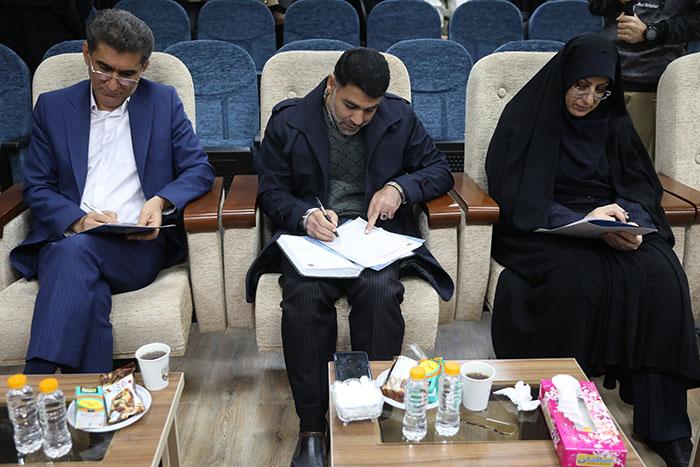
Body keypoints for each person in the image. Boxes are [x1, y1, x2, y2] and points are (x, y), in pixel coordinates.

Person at [486, 33, 700, 467]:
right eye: (581, 86)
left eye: (602, 89)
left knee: (661, 273)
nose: (590, 98)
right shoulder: (526, 117)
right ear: (564, 77)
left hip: (609, 220)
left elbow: (640, 183)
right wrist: (576, 219)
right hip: (543, 226)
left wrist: (628, 220)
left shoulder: (613, 119)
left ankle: (665, 425)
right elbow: (513, 191)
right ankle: (563, 410)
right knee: (575, 279)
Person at [246, 48, 453, 467]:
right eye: (350, 106)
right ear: (331, 85)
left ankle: (369, 416)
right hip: (313, 240)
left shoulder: (399, 117)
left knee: (380, 292)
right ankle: (312, 428)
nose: (358, 119)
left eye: (369, 110)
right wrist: (303, 216)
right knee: (304, 297)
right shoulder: (288, 120)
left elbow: (439, 170)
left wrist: (399, 189)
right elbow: (271, 192)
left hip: (373, 240)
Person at [10, 9, 214, 375]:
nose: (113, 83)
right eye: (103, 68)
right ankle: (95, 398)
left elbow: (199, 169)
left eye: (127, 74)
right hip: (68, 238)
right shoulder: (53, 108)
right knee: (89, 289)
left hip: (135, 246)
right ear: (87, 54)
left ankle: (34, 381)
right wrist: (78, 221)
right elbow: (37, 187)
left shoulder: (163, 102)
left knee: (72, 256)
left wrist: (160, 201)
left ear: (144, 68)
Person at [588, 0, 700, 159]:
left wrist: (652, 32)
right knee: (598, 159)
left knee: (637, 163)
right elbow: (596, 6)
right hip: (606, 74)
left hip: (650, 80)